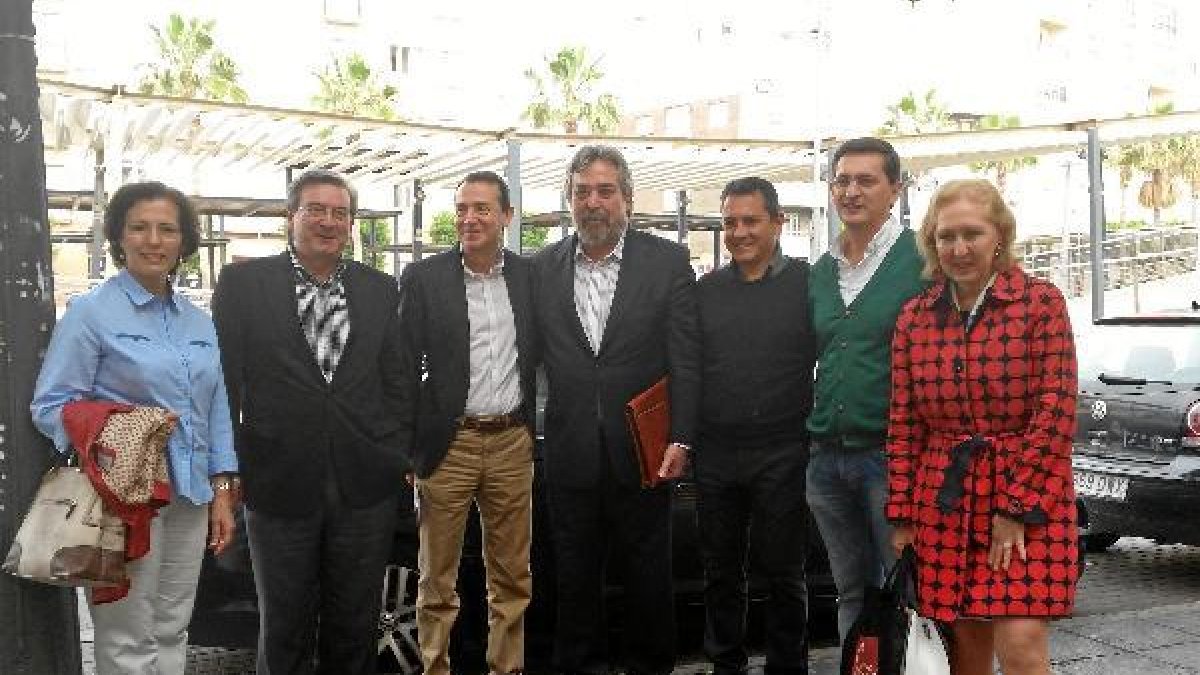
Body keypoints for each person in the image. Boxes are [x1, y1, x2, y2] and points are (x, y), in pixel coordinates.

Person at [30, 181, 239, 675]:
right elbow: (51, 405)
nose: (153, 240)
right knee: (126, 634)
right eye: (139, 228)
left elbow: (217, 408)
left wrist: (223, 490)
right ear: (118, 238)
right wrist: (126, 428)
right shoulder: (91, 313)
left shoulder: (198, 321)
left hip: (188, 495)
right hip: (125, 497)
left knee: (172, 627)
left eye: (167, 229)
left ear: (184, 240)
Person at [211, 169, 413, 675]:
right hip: (277, 481)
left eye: (340, 213)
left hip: (364, 484)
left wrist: (396, 453)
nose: (329, 221)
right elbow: (224, 388)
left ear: (350, 224)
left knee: (355, 624)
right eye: (316, 210)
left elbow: (398, 381)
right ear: (290, 217)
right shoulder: (242, 286)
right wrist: (227, 471)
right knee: (283, 626)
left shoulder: (381, 289)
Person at [887, 179, 1078, 675]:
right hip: (945, 497)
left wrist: (1018, 506)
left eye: (972, 233)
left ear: (1000, 235)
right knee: (964, 655)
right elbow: (905, 422)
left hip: (1027, 492)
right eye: (946, 236)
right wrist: (903, 513)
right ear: (932, 243)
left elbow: (1055, 409)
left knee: (1020, 645)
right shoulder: (915, 317)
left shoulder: (1040, 304)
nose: (959, 248)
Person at [532, 144, 701, 675]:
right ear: (569, 199)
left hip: (644, 452)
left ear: (627, 198)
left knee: (648, 579)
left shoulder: (667, 262)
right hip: (569, 453)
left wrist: (682, 437)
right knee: (574, 581)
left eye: (605, 191)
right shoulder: (542, 268)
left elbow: (686, 358)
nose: (593, 202)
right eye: (582, 191)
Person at [399, 171, 538, 675]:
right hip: (448, 444)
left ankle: (508, 668)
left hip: (510, 443)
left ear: (506, 215)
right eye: (461, 209)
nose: (469, 218)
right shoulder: (424, 277)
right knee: (436, 579)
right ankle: (435, 667)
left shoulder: (529, 278)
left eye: (481, 208)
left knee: (513, 577)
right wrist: (413, 451)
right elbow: (402, 365)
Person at [805, 137, 927, 640]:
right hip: (827, 459)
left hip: (891, 459)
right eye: (842, 180)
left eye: (866, 180)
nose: (851, 191)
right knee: (851, 590)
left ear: (894, 189)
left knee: (910, 592)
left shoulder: (922, 258)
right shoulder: (820, 270)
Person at [695, 177, 816, 675]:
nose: (739, 231)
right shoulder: (705, 291)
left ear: (778, 222)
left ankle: (787, 668)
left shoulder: (807, 283)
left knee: (785, 574)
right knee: (721, 574)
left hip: (784, 447)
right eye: (730, 222)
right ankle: (726, 666)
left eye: (750, 220)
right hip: (716, 450)